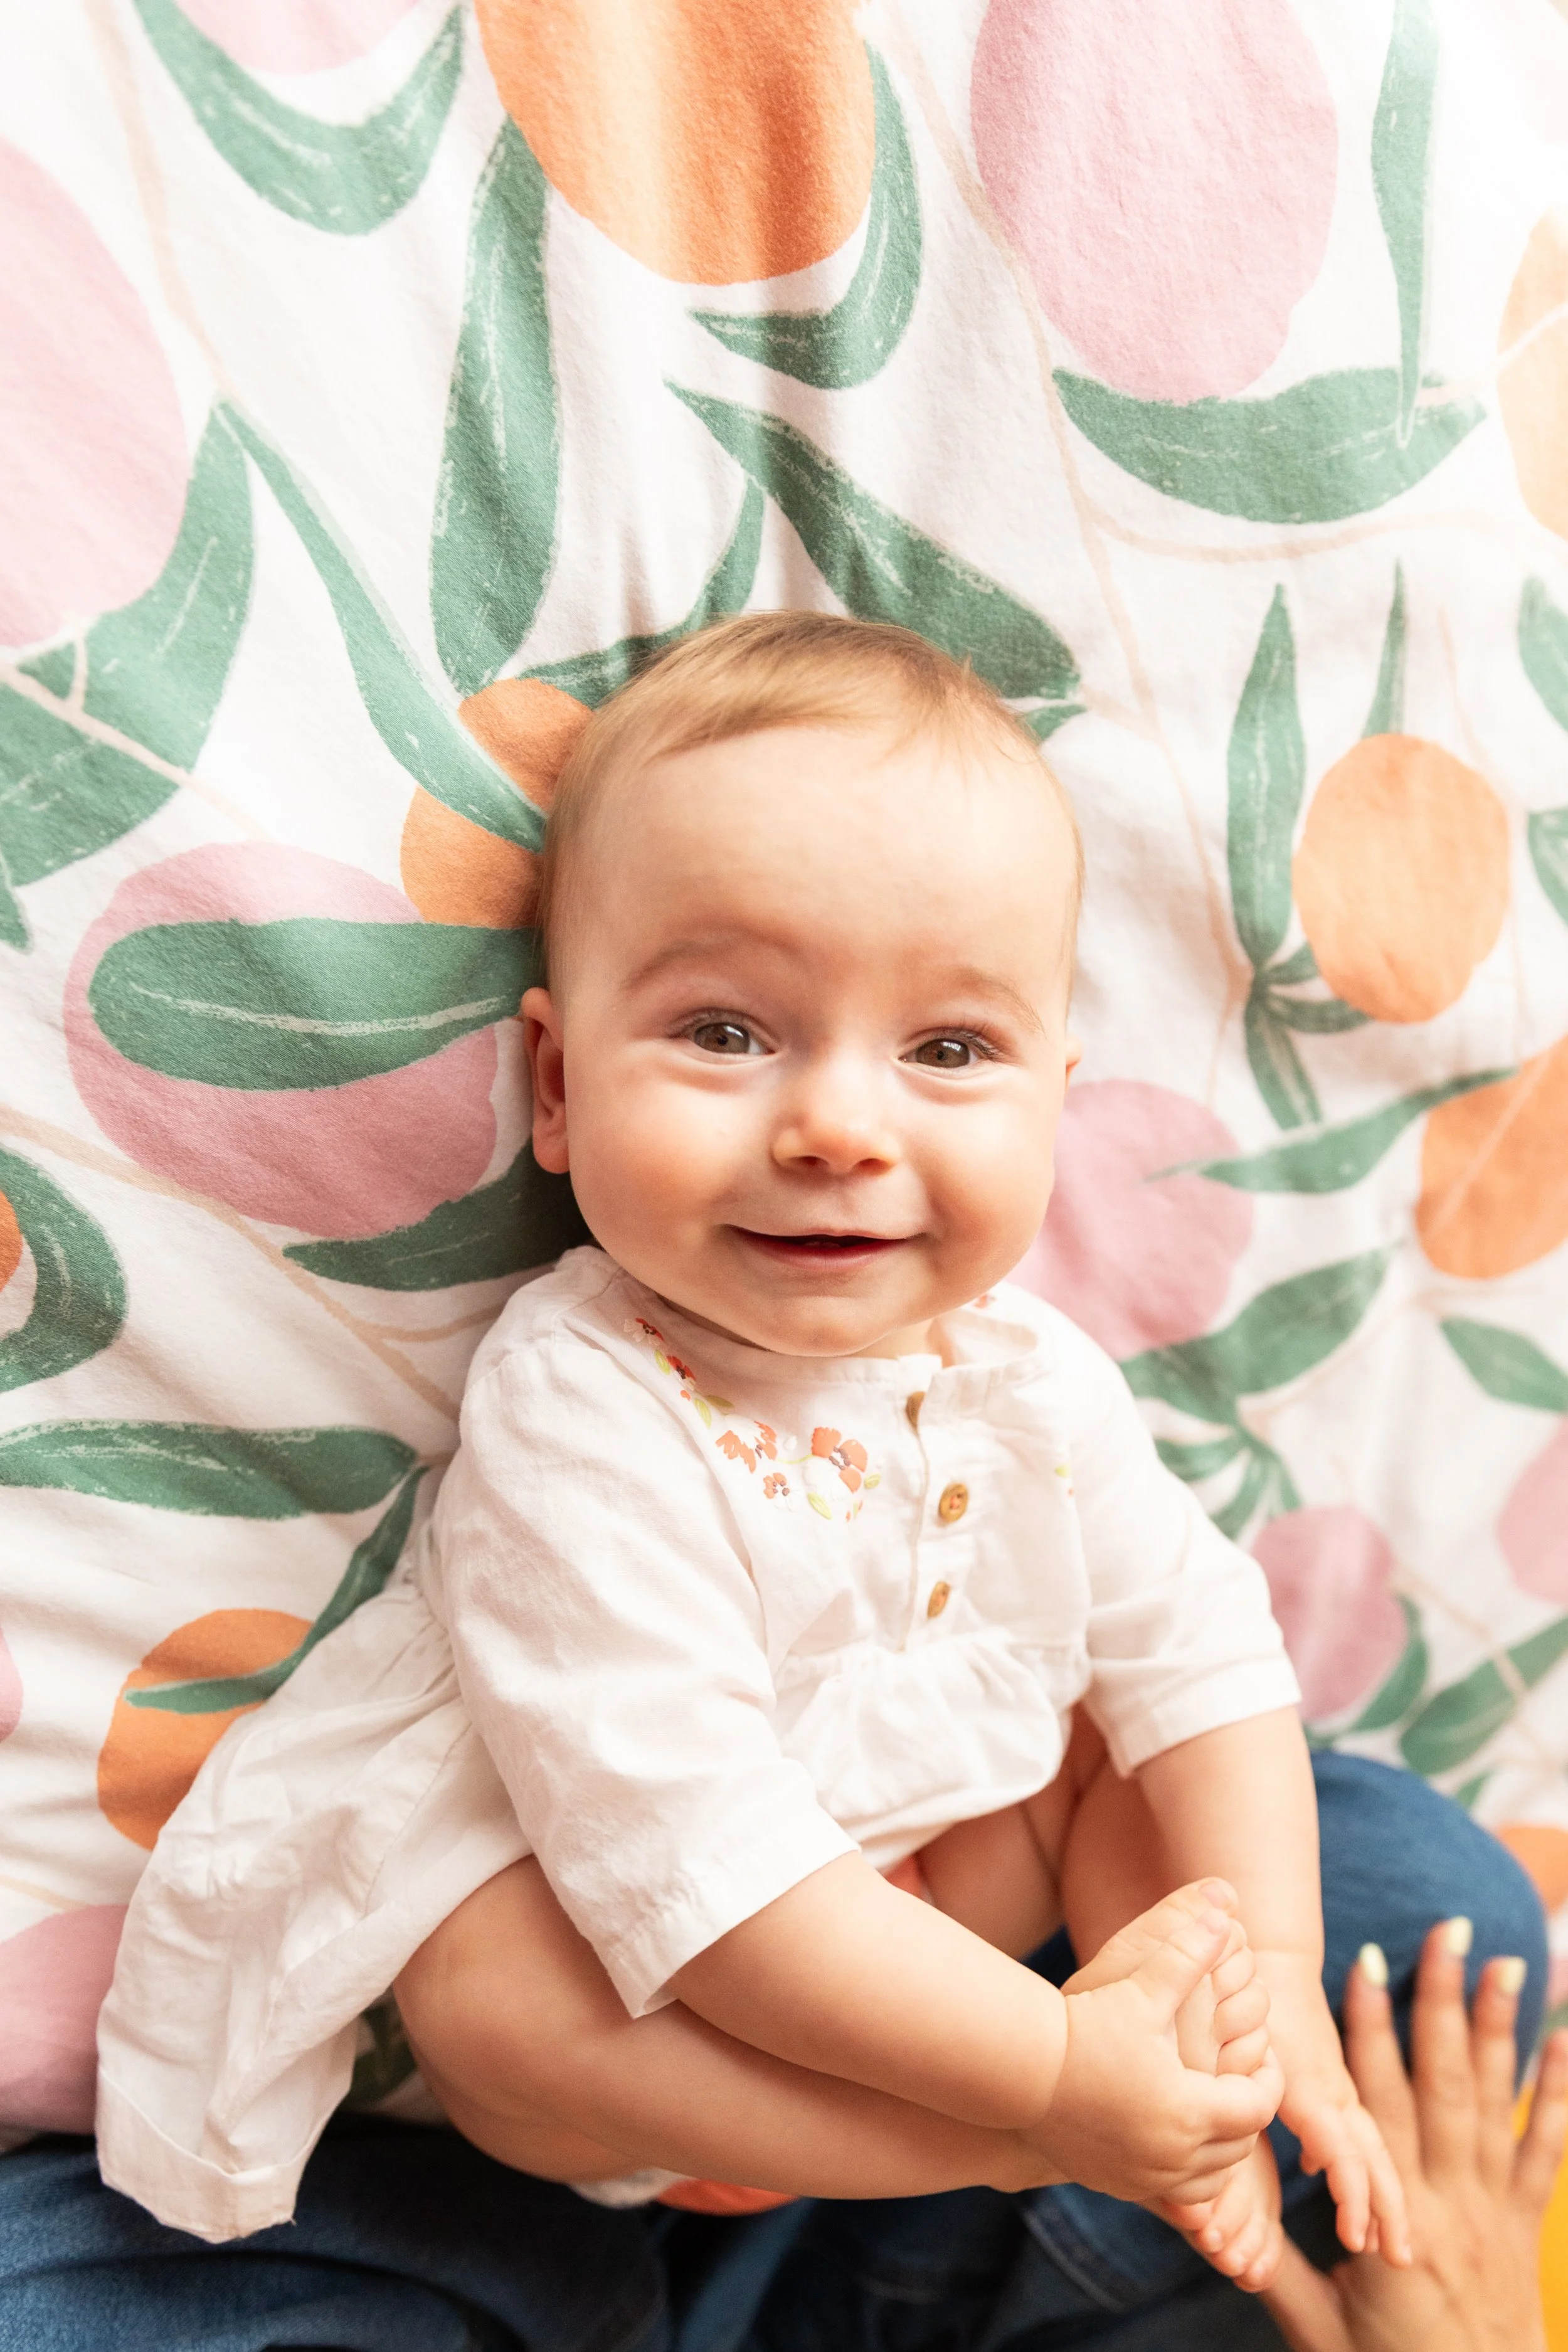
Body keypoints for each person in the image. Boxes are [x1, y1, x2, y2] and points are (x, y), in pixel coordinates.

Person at [97, 612, 1405, 2285]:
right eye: (726, 1031)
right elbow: (698, 1862)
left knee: (1171, 1768)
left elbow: (1202, 1650)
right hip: (661, 1994)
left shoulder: (1031, 1380)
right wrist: (1048, 2083)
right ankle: (1005, 2150)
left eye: (947, 1049)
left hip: (933, 1898)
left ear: (1055, 1103)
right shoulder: (582, 1404)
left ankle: (1144, 2075)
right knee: (488, 1989)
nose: (840, 1126)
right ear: (557, 1085)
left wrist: (1274, 1966)